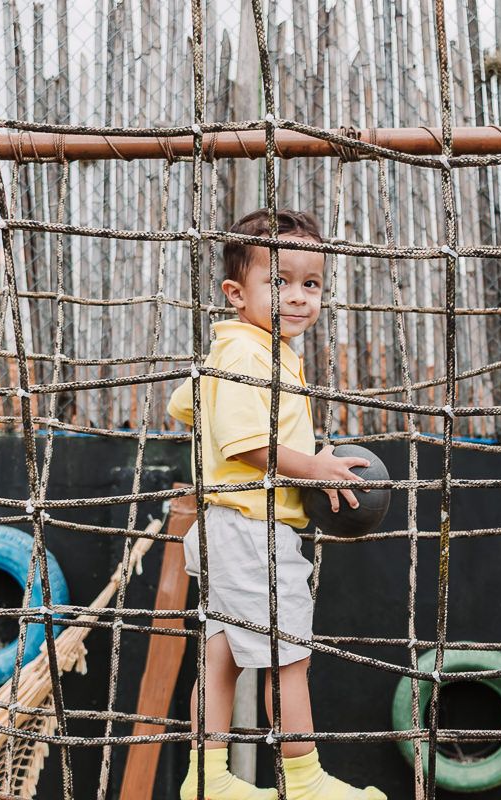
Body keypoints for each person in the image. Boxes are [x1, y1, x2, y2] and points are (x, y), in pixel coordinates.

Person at [167, 209, 386, 800]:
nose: (298, 296)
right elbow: (244, 443)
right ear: (236, 294)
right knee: (288, 658)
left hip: (229, 526)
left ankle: (207, 778)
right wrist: (313, 466)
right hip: (251, 530)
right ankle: (305, 781)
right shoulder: (250, 357)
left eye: (311, 283)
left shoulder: (240, 349)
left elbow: (182, 404)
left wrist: (303, 454)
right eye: (279, 281)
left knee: (221, 655)